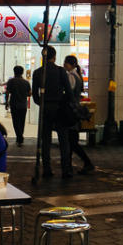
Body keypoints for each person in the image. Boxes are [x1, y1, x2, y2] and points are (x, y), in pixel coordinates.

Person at [31, 46, 73, 178]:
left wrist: (42, 103)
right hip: (59, 109)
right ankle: (66, 170)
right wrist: (62, 101)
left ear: (43, 57)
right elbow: (69, 92)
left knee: (45, 140)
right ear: (54, 57)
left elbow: (35, 95)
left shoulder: (37, 72)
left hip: (45, 109)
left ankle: (47, 169)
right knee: (63, 140)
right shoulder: (61, 72)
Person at [63, 55, 95, 174]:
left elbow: (68, 93)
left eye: (65, 62)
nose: (63, 64)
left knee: (72, 141)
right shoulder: (76, 75)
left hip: (71, 111)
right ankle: (69, 166)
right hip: (74, 110)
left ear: (69, 64)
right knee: (72, 140)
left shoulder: (71, 76)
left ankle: (87, 163)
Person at [5, 66, 31, 146]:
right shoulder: (26, 82)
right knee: (22, 121)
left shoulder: (11, 81)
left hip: (14, 104)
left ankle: (19, 137)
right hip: (23, 105)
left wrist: (6, 102)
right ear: (22, 72)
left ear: (14, 72)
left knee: (16, 122)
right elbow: (30, 93)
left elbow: (7, 92)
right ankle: (20, 137)